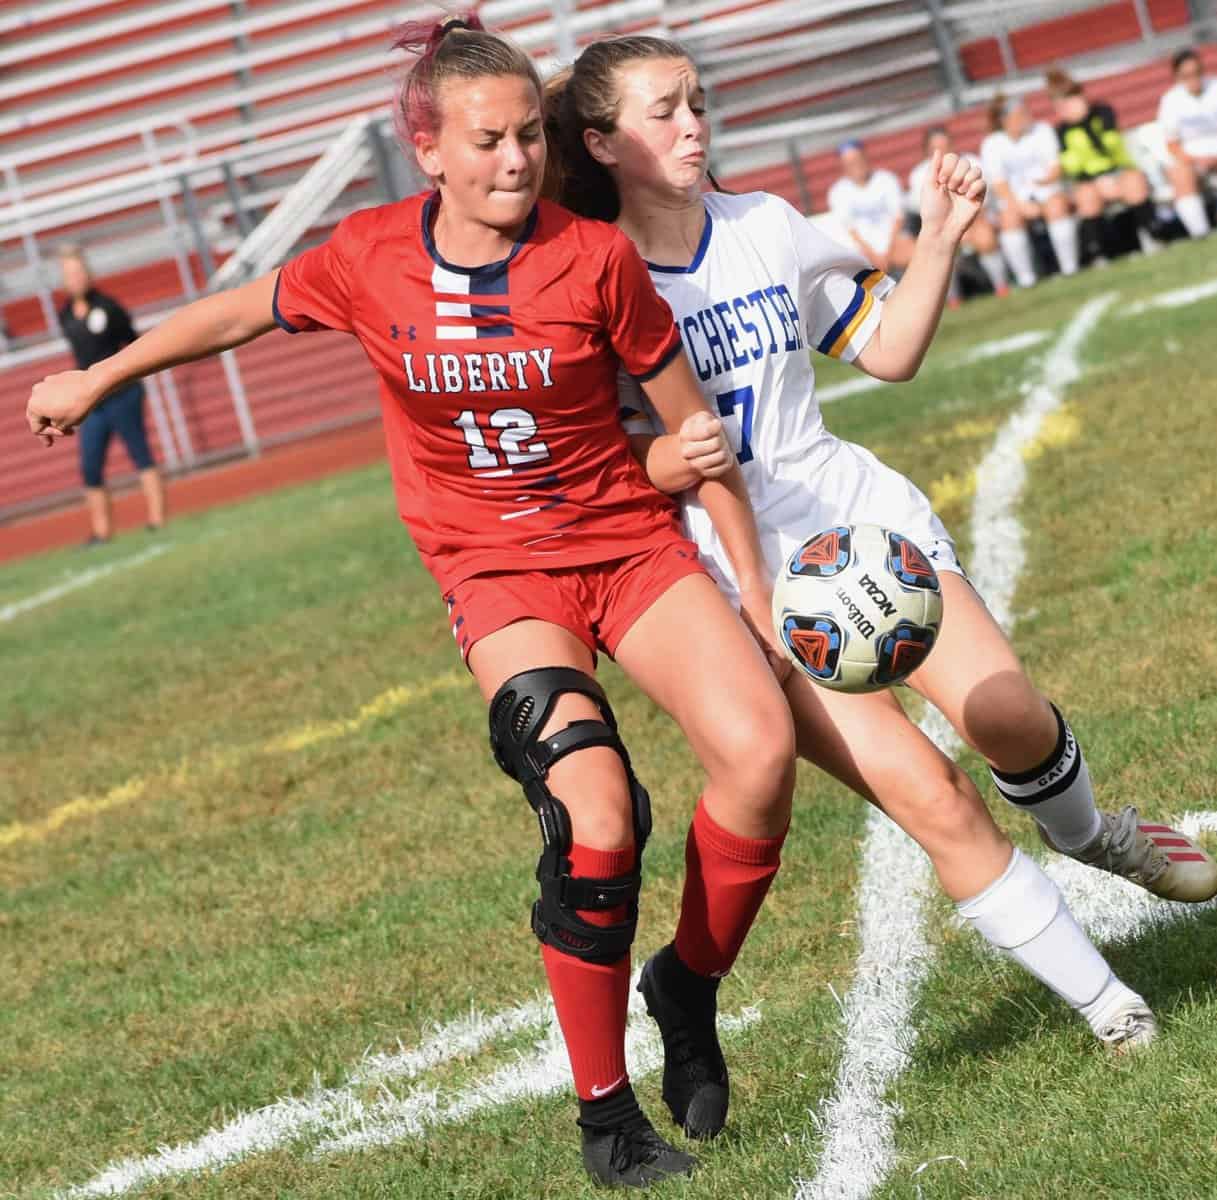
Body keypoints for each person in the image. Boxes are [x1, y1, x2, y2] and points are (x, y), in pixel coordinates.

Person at [26, 16, 800, 1189]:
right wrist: (100, 374)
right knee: (597, 815)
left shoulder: (592, 260)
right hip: (495, 574)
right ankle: (607, 1120)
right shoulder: (367, 255)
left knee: (758, 754)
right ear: (426, 148)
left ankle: (685, 984)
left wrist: (749, 588)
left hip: (625, 545)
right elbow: (239, 311)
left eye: (530, 136)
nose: (515, 161)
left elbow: (690, 435)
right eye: (487, 141)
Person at [546, 32, 1217, 1105]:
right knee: (931, 793)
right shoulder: (584, 275)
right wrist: (663, 458)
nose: (692, 126)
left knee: (1003, 714)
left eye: (697, 103)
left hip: (852, 520)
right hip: (737, 581)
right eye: (663, 111)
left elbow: (888, 349)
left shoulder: (763, 226)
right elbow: (583, 459)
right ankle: (1113, 1011)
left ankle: (1095, 835)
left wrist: (940, 234)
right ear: (600, 142)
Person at [56, 245, 166, 544]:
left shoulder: (108, 307)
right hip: (93, 403)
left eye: (79, 271)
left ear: (88, 274)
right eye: (69, 274)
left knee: (140, 453)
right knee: (90, 466)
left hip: (123, 394)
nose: (75, 278)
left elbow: (133, 345)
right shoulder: (64, 314)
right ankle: (102, 532)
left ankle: (158, 521)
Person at [1045, 67, 1161, 260]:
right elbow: (1072, 166)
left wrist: (1085, 124)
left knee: (1133, 183)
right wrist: (1097, 181)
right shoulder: (1061, 131)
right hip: (1090, 181)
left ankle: (1152, 236)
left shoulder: (1103, 113)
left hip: (1118, 170)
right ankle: (1098, 252)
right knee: (1086, 196)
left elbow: (1111, 147)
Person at [980, 94, 1080, 286]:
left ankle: (1070, 268)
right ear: (1005, 120)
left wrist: (1042, 186)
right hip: (1015, 198)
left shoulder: (1042, 130)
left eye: (1025, 113)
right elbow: (999, 183)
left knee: (1056, 207)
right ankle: (1026, 279)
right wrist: (1020, 206)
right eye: (1019, 115)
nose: (1025, 118)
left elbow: (1055, 168)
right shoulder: (992, 144)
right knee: (1009, 219)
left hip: (1046, 191)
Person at [907, 126, 1010, 300]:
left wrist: (964, 228)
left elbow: (982, 203)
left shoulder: (971, 162)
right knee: (939, 247)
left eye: (946, 146)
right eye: (936, 149)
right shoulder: (919, 176)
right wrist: (954, 230)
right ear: (927, 151)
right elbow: (924, 215)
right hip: (942, 228)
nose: (944, 152)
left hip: (976, 222)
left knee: (985, 236)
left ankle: (1002, 286)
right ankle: (952, 299)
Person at [826, 141, 915, 275]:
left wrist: (888, 253)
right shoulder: (838, 192)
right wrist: (874, 257)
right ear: (843, 166)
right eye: (850, 163)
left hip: (894, 243)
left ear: (865, 158)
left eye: (857, 160)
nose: (856, 165)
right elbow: (851, 232)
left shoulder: (886, 179)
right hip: (864, 251)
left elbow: (898, 219)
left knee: (921, 254)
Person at [1157, 47, 1217, 239]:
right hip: (1192, 158)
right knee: (1180, 173)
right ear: (1177, 77)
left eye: (1197, 72)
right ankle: (1200, 234)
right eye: (1187, 75)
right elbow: (1172, 144)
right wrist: (1198, 160)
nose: (1194, 78)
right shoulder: (1170, 100)